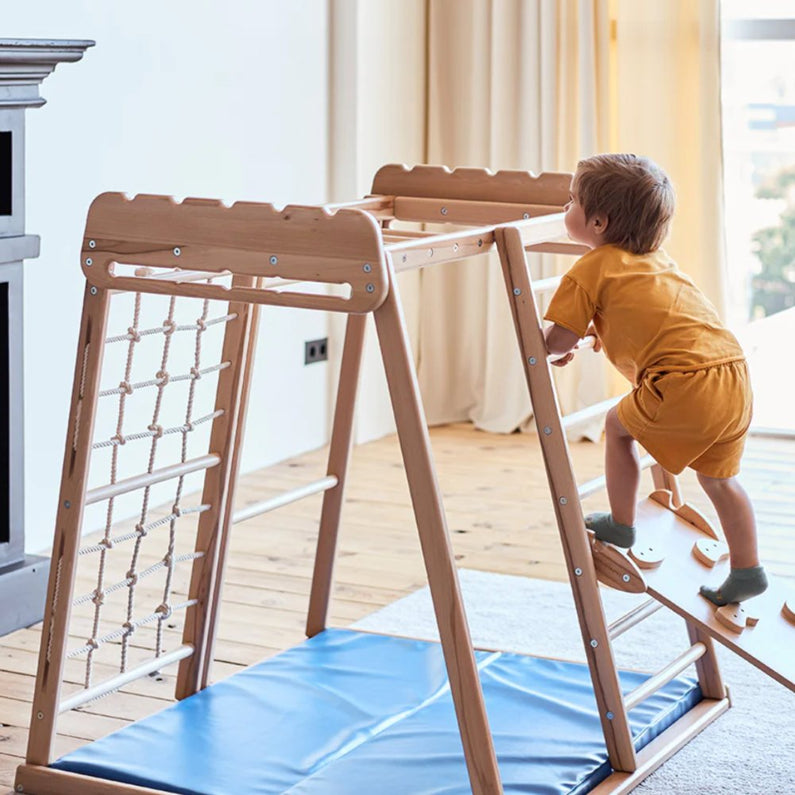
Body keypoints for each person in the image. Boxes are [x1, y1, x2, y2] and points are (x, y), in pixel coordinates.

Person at [543, 153, 767, 606]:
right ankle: (748, 568)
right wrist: (592, 333)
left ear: (599, 222)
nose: (565, 208)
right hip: (732, 375)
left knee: (616, 428)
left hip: (685, 382)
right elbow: (648, 320)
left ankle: (621, 524)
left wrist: (553, 341)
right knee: (720, 480)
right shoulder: (657, 262)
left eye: (571, 201)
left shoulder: (591, 267)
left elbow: (552, 342)